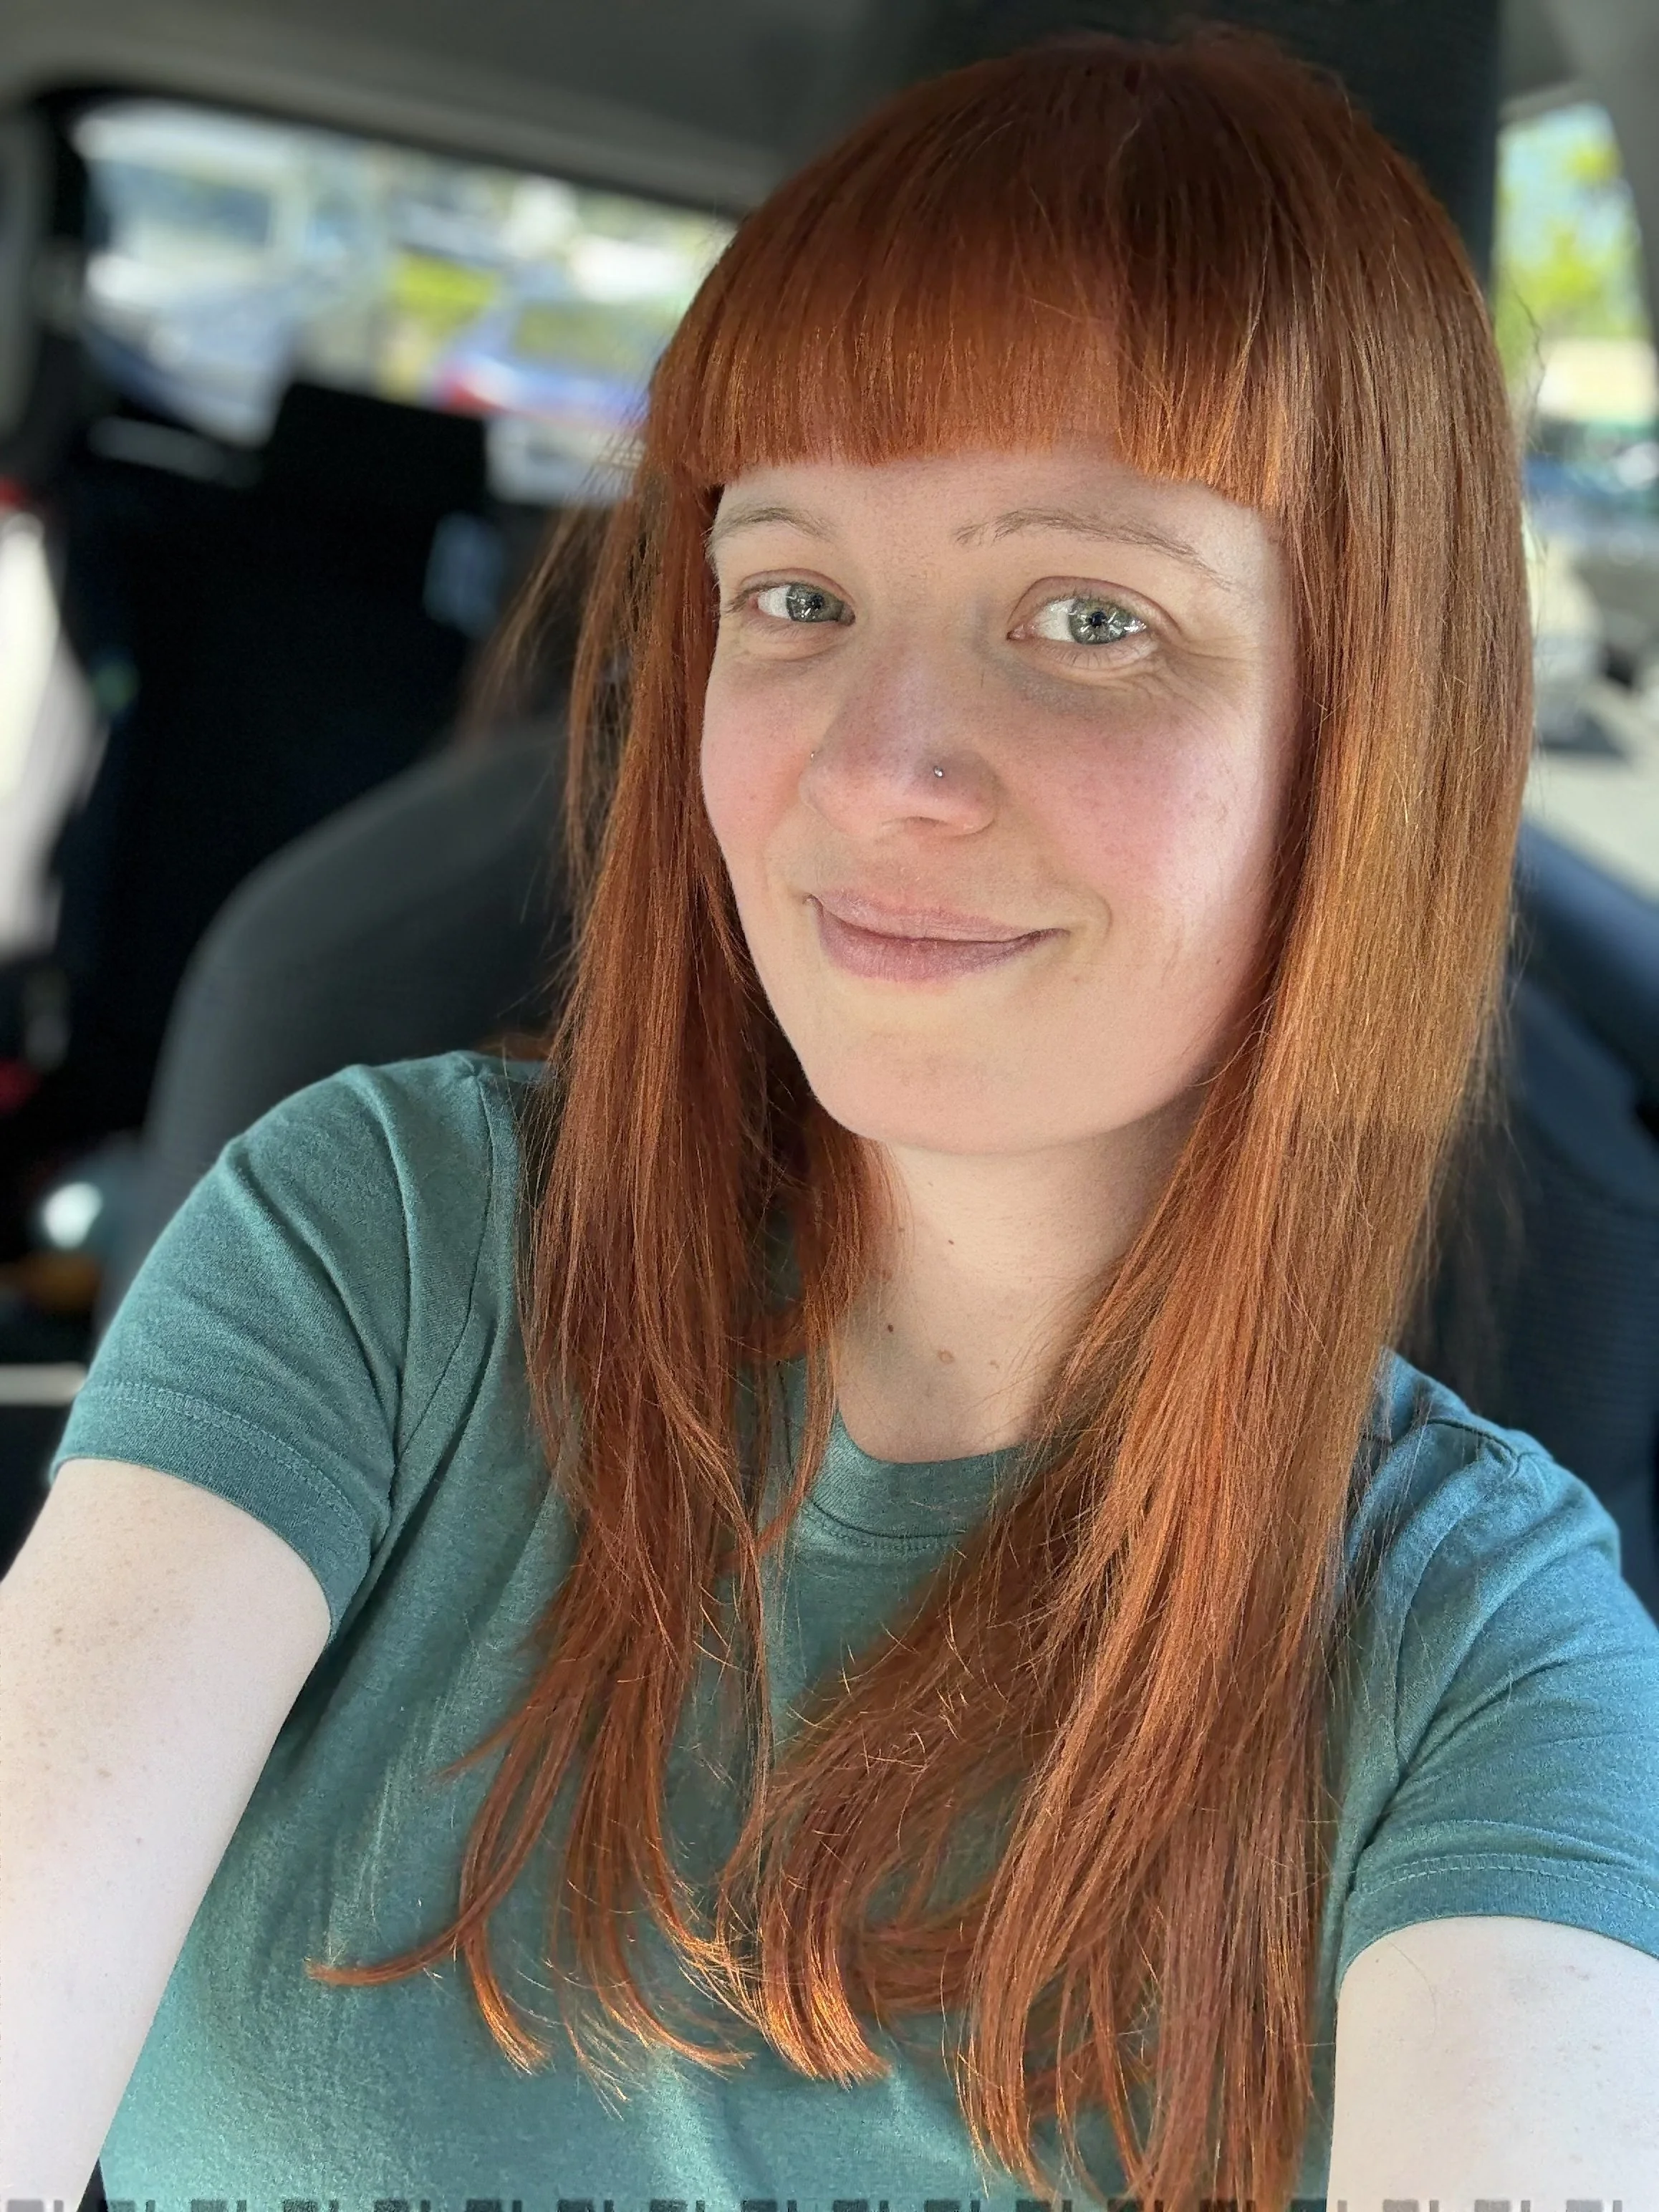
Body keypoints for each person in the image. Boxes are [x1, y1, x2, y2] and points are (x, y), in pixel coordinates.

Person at [5, 25, 1659, 2212]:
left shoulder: (1478, 1648)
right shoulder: (375, 1248)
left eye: (1091, 619)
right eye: (795, 594)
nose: (879, 766)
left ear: (1364, 751)